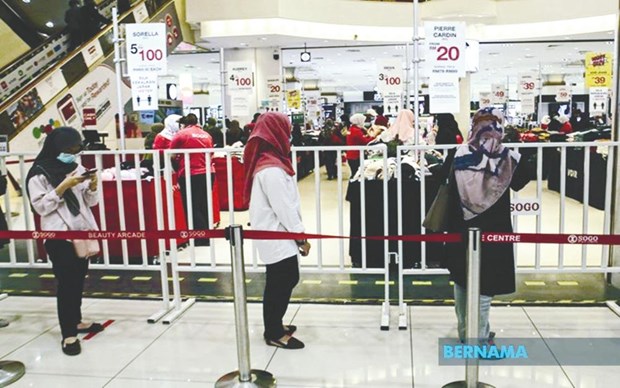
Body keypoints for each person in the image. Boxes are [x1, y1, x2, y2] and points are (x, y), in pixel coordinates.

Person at [442, 108, 532, 345]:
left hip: (459, 230)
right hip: (493, 232)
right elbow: (522, 182)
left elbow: (442, 181)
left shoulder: (456, 154)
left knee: (462, 281)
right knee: (485, 287)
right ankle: (478, 339)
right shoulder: (508, 159)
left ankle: (466, 332)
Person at [26, 127, 103, 356]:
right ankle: (68, 333)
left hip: (81, 231)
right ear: (56, 148)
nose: (72, 153)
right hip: (58, 236)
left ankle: (77, 321)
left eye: (76, 149)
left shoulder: (76, 167)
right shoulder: (39, 173)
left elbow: (90, 202)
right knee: (67, 284)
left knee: (79, 279)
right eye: (68, 149)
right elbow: (41, 207)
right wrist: (62, 188)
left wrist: (92, 185)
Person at [243, 112, 310, 350]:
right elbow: (284, 209)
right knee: (281, 280)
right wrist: (301, 237)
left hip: (278, 233)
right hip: (276, 234)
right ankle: (273, 331)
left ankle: (275, 324)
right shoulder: (271, 169)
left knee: (284, 278)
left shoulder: (272, 162)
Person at [170, 114, 215, 247]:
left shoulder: (182, 134)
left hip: (191, 173)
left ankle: (200, 237)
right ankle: (207, 236)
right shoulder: (206, 134)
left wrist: (176, 169)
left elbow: (171, 155)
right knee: (204, 205)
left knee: (192, 206)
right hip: (208, 172)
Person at [346, 113, 376, 178]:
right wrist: (374, 137)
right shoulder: (357, 131)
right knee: (357, 175)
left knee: (354, 173)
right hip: (356, 156)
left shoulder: (351, 129)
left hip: (350, 155)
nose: (364, 122)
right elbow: (364, 142)